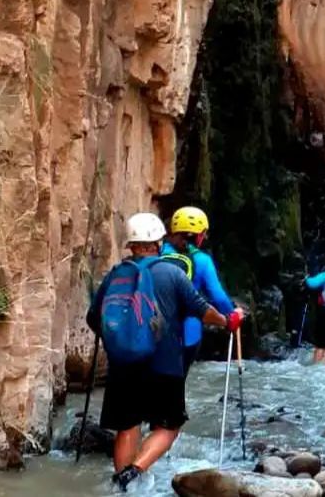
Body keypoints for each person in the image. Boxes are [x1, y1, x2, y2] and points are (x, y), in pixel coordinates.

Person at [86, 213, 243, 491]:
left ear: (132, 244)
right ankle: (133, 472)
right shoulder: (172, 273)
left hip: (123, 365)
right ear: (158, 242)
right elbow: (201, 309)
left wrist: (121, 339)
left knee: (127, 425)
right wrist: (227, 320)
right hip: (164, 363)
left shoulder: (116, 275)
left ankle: (122, 486)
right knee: (169, 425)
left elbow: (93, 318)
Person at [160, 206, 235, 374]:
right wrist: (232, 314)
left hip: (156, 333)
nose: (205, 237)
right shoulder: (202, 260)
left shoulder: (158, 254)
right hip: (188, 335)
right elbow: (218, 297)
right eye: (203, 233)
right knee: (177, 383)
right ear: (197, 236)